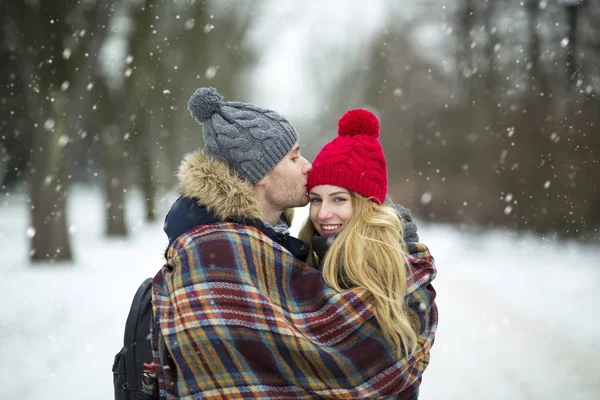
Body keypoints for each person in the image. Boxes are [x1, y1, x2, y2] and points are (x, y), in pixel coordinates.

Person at [150, 87, 438, 399]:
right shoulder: (217, 253)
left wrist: (381, 238)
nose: (308, 166)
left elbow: (311, 326)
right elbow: (334, 355)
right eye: (294, 156)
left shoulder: (279, 246)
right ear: (259, 173)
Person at [299, 108, 437, 398]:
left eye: (339, 199)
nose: (323, 213)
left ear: (366, 204)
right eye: (315, 199)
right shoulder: (306, 258)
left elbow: (383, 370)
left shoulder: (393, 268)